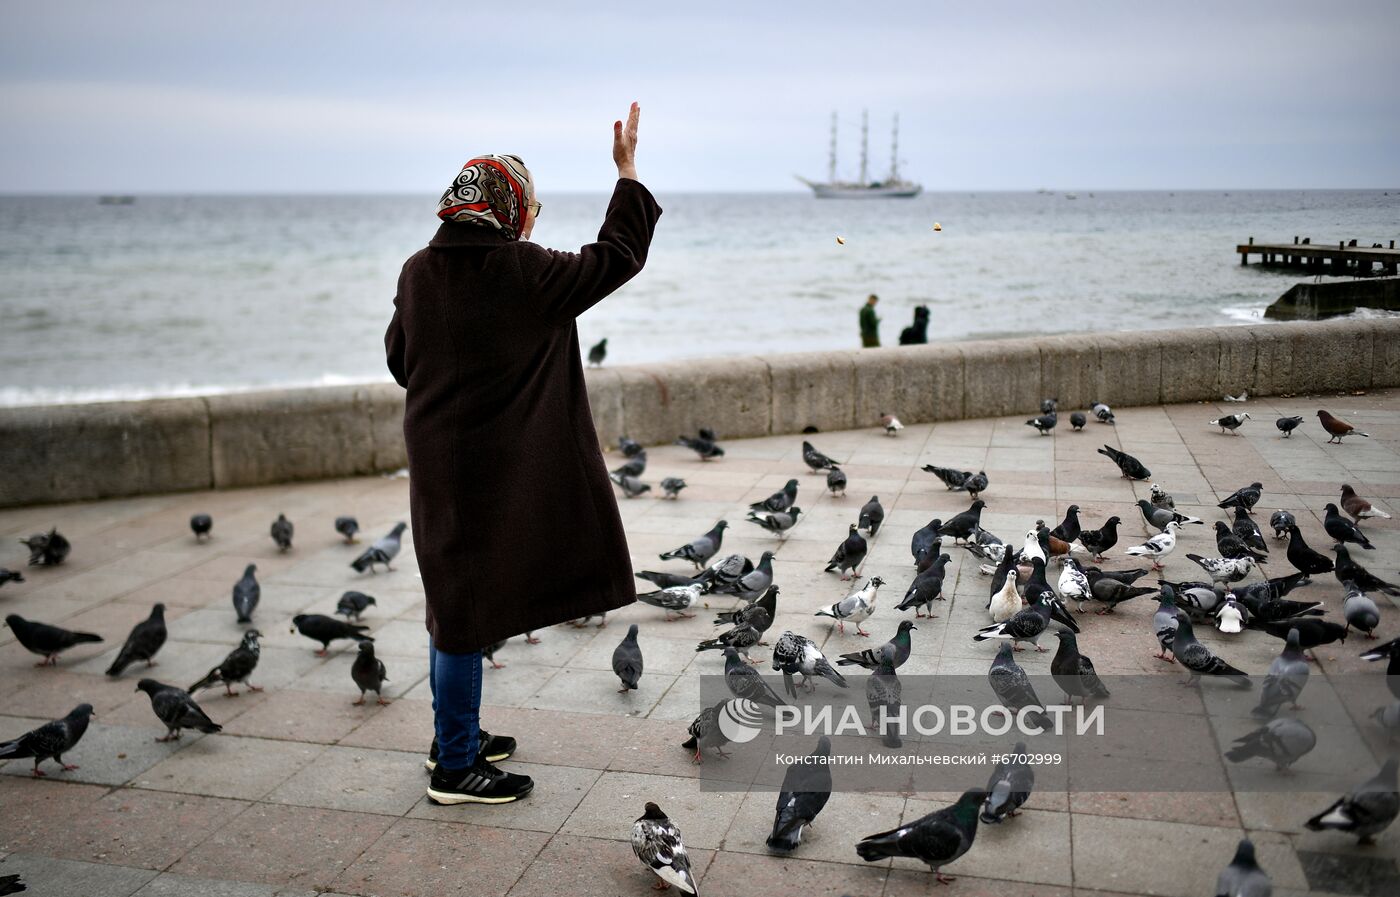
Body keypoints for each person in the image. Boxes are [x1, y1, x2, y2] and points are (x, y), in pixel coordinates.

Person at [384, 103, 661, 805]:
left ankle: (459, 734)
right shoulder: (525, 271)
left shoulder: (418, 271)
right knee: (462, 616)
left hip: (439, 465)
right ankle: (454, 767)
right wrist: (627, 171)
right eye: (529, 207)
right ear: (509, 209)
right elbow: (617, 256)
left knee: (455, 604)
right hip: (494, 470)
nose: (532, 219)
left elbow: (398, 359)